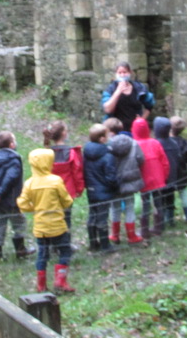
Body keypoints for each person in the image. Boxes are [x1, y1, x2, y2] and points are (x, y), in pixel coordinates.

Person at [17, 148, 75, 293]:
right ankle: (60, 281)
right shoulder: (55, 181)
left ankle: (41, 285)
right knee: (65, 251)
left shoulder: (29, 183)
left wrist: (35, 208)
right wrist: (60, 206)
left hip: (40, 227)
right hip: (57, 225)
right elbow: (67, 201)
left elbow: (22, 204)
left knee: (42, 254)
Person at [0, 131, 34, 260]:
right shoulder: (14, 159)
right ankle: (20, 250)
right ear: (11, 145)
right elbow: (10, 178)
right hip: (12, 201)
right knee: (19, 224)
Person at [43, 120, 85, 252]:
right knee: (66, 218)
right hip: (68, 191)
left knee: (52, 217)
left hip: (50, 192)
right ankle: (64, 245)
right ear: (64, 134)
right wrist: (79, 189)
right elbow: (77, 172)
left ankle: (52, 245)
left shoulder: (46, 153)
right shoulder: (71, 153)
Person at [104, 117, 145, 245]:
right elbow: (141, 158)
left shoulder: (107, 146)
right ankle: (132, 236)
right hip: (130, 182)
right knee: (129, 208)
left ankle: (114, 235)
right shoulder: (133, 143)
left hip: (114, 183)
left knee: (115, 208)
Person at [82, 123, 119, 253]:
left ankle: (93, 243)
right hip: (103, 192)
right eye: (106, 135)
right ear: (102, 139)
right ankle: (105, 245)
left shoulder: (85, 153)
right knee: (102, 217)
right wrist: (115, 186)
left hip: (91, 190)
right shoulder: (107, 155)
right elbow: (111, 176)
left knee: (92, 216)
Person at [131, 117, 169, 239]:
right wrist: (164, 176)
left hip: (144, 181)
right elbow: (165, 162)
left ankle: (144, 230)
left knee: (145, 204)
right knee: (158, 203)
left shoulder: (134, 145)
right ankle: (159, 227)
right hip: (158, 179)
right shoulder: (155, 143)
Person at [101, 61, 155, 134]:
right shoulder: (110, 89)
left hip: (134, 130)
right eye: (120, 73)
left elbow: (150, 105)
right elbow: (107, 109)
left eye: (125, 72)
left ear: (130, 73)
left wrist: (141, 119)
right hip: (115, 131)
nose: (122, 75)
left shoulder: (139, 88)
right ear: (116, 74)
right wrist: (118, 92)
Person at [153, 116, 181, 228]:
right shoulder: (174, 143)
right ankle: (170, 219)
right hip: (172, 177)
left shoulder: (155, 144)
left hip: (159, 179)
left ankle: (161, 221)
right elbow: (178, 158)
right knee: (170, 198)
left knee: (159, 200)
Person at [170, 116, 187, 223]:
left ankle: (169, 218)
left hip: (169, 175)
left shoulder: (166, 143)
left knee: (169, 196)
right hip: (182, 174)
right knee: (184, 195)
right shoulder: (184, 142)